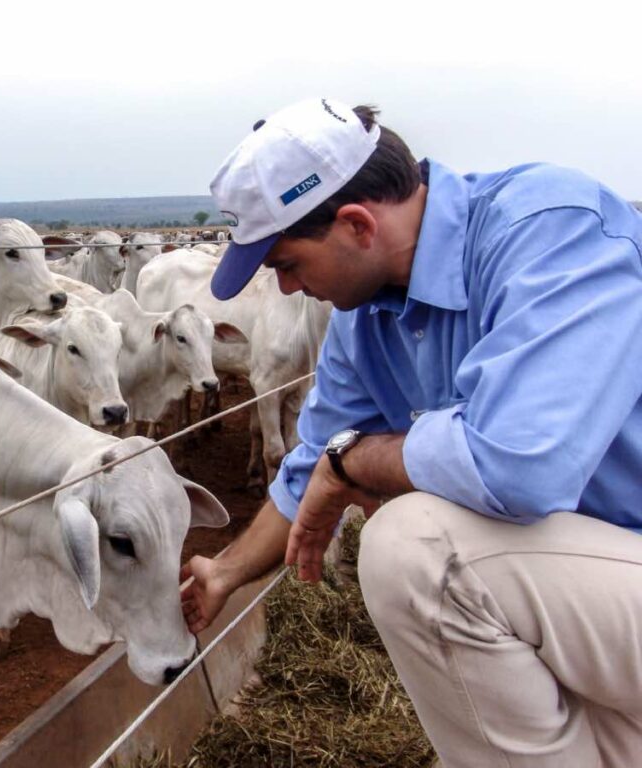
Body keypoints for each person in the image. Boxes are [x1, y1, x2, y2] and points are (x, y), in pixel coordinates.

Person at [179, 97, 642, 767]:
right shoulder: (365, 323)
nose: (282, 289)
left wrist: (360, 460)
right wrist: (224, 573)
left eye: (284, 262)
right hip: (586, 598)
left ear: (356, 224)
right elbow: (316, 466)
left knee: (417, 547)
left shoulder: (551, 229)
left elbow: (516, 467)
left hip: (614, 568)